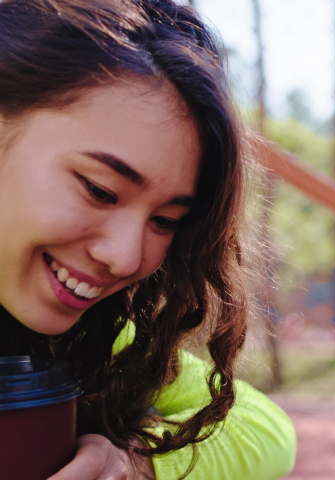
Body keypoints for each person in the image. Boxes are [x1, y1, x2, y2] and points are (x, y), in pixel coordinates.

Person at [0, 0, 296, 478]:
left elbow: (264, 429)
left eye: (165, 220)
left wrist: (136, 467)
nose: (125, 257)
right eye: (99, 189)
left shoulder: (89, 341)